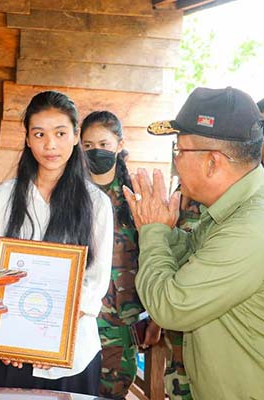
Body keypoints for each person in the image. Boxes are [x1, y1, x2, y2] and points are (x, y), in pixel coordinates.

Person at [123, 87, 264, 399]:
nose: (175, 162)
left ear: (212, 162)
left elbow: (170, 306)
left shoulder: (253, 227)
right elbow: (194, 257)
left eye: (179, 150)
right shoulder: (237, 208)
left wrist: (153, 231)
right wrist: (163, 229)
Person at [0, 91, 113, 396]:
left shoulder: (96, 203)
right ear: (28, 139)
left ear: (76, 136)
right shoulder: (4, 196)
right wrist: (13, 337)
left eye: (60, 133)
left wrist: (50, 336)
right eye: (39, 134)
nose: (50, 144)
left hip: (73, 352)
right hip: (12, 350)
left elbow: (95, 283)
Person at [80, 111, 160, 399]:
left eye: (104, 144)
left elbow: (155, 257)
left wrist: (157, 318)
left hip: (120, 320)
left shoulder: (136, 196)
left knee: (113, 393)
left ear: (120, 144)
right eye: (88, 145)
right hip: (77, 318)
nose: (96, 151)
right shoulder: (70, 193)